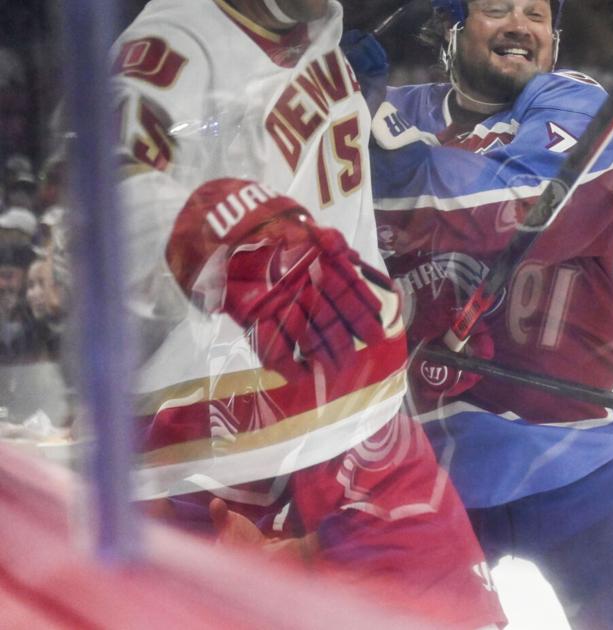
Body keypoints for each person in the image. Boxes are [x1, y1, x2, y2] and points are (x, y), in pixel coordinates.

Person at [110, 0, 504, 627]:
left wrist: (396, 305)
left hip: (367, 427)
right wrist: (235, 241)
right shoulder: (173, 40)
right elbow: (113, 205)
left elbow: (323, 209)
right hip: (222, 455)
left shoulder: (317, 22)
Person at [364, 0, 613, 627]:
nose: (520, 25)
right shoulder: (404, 109)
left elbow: (520, 207)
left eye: (536, 13)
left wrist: (369, 148)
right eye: (497, 8)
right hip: (429, 481)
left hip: (593, 464)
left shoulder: (576, 105)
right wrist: (317, 103)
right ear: (451, 27)